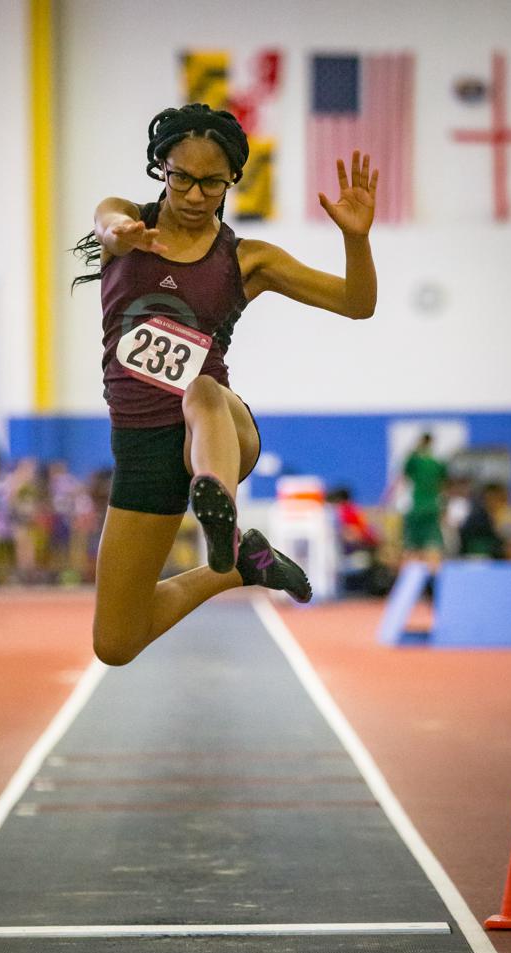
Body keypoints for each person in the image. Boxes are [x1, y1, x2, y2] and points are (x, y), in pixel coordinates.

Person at [72, 103, 377, 665]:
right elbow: (106, 226)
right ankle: (238, 562)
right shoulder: (124, 220)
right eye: (181, 177)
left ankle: (222, 512)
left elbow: (357, 304)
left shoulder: (245, 258)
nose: (193, 195)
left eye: (211, 184)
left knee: (201, 389)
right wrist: (119, 232)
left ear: (233, 179)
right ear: (160, 167)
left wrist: (356, 239)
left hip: (219, 430)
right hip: (141, 450)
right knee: (115, 643)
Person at [402, 432, 447, 569]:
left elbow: (405, 472)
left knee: (412, 548)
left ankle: (412, 583)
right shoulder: (438, 463)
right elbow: (443, 485)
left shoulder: (414, 461)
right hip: (432, 507)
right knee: (433, 546)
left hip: (416, 508)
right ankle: (434, 582)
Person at [459, 481, 511, 559]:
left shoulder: (508, 518)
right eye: (490, 498)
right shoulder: (475, 521)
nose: (494, 503)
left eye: (499, 499)